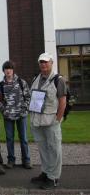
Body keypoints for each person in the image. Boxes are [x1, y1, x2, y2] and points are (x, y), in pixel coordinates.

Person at [29, 53, 67, 190]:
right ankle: (46, 173)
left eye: (46, 62)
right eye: (41, 62)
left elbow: (63, 102)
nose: (43, 65)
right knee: (43, 149)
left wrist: (58, 119)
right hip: (37, 121)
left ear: (51, 63)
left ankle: (53, 178)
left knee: (54, 149)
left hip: (51, 121)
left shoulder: (59, 80)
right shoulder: (36, 78)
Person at [0, 61, 32, 169]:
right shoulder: (1, 85)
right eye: (6, 69)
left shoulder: (22, 82)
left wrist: (24, 108)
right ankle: (11, 160)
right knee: (9, 139)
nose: (8, 70)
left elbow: (28, 97)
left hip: (21, 115)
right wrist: (4, 110)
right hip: (8, 116)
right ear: (3, 71)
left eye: (10, 68)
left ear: (13, 70)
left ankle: (26, 160)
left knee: (24, 139)